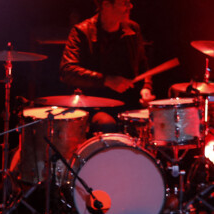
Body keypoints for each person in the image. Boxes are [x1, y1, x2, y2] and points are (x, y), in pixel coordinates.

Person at [59, 0, 156, 133]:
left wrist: (146, 88)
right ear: (106, 5)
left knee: (157, 123)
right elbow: (68, 71)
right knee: (107, 124)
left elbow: (143, 65)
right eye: (124, 3)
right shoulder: (81, 31)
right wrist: (107, 80)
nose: (130, 7)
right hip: (95, 106)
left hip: (129, 104)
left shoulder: (133, 29)